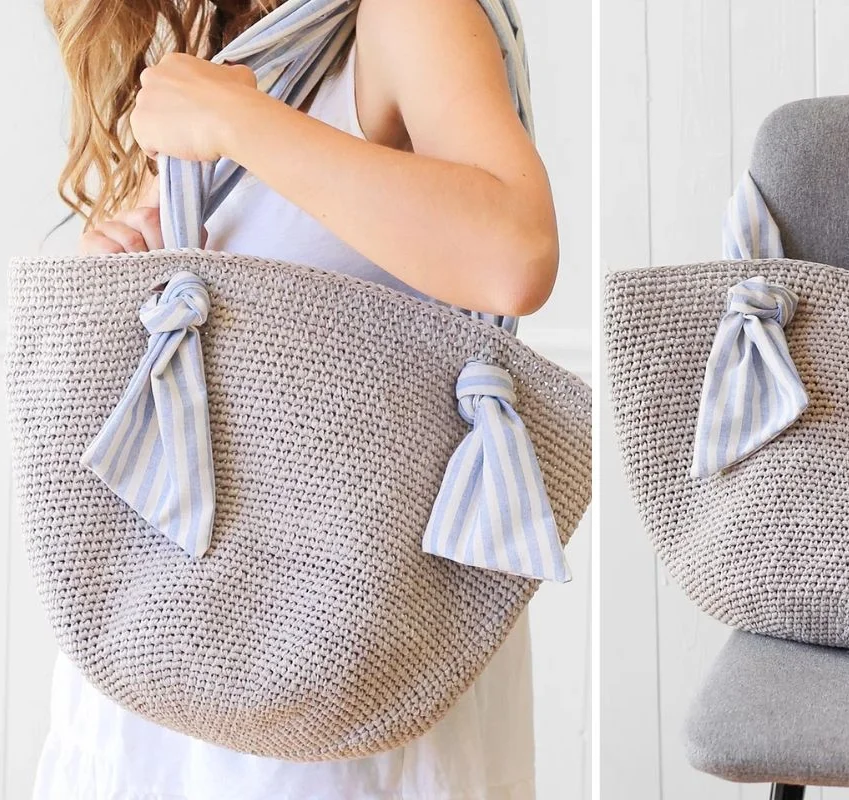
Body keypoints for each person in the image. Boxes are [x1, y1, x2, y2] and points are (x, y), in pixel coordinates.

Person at [35, 0, 555, 797]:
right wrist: (126, 262)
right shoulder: (209, 26)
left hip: (330, 644)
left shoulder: (405, 14)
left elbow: (515, 253)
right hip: (173, 637)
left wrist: (242, 123)